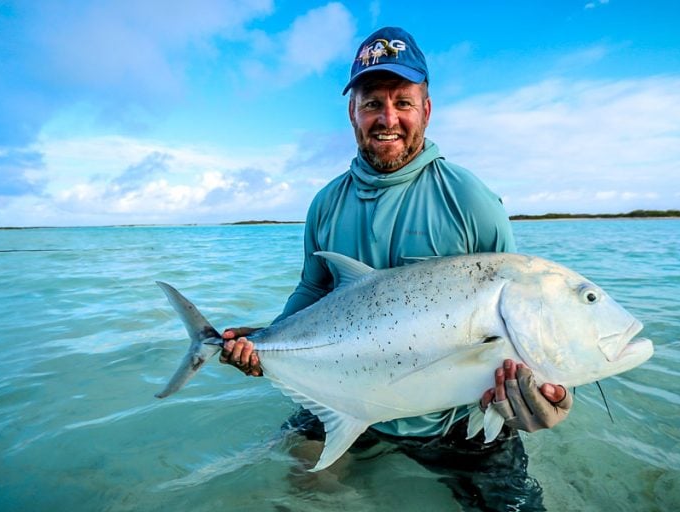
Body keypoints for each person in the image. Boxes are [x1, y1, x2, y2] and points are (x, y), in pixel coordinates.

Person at [219, 26, 572, 510]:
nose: (388, 119)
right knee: (296, 493)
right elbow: (312, 288)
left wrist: (534, 395)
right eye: (372, 103)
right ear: (352, 113)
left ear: (426, 109)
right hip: (344, 401)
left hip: (453, 424)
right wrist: (269, 340)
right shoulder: (326, 204)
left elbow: (515, 323)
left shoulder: (470, 200)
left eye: (403, 102)